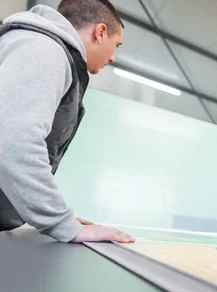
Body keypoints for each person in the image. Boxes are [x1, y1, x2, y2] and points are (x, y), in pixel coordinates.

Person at [0, 0, 134, 243]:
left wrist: (40, 215)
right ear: (100, 32)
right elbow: (14, 142)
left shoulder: (32, 46)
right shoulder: (43, 49)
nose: (113, 57)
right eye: (117, 45)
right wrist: (60, 223)